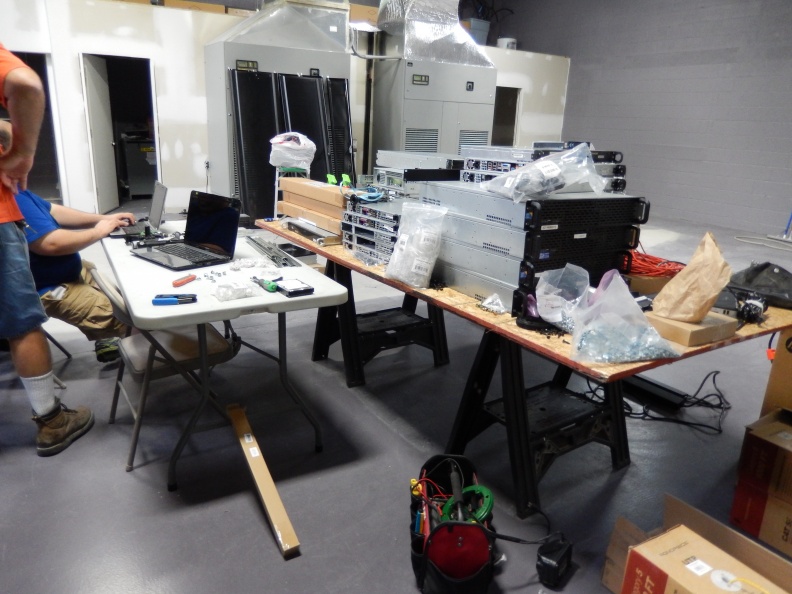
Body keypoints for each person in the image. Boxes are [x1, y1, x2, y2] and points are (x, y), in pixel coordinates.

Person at [0, 42, 95, 456]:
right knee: (23, 324)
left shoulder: (30, 198)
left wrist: (99, 220)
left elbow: (53, 210)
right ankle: (52, 421)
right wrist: (22, 151)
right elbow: (24, 83)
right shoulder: (13, 189)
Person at [0, 122, 134, 361]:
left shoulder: (14, 186)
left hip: (61, 273)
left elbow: (53, 210)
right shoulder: (6, 196)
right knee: (135, 319)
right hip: (46, 288)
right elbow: (50, 244)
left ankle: (105, 335)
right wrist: (99, 232)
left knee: (96, 275)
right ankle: (122, 334)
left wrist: (103, 219)